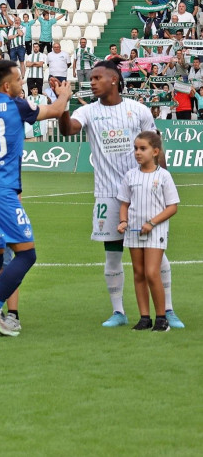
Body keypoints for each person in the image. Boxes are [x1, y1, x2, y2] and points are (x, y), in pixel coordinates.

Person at [57, 59, 184, 328]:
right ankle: (118, 312)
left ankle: (168, 310)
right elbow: (68, 130)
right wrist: (62, 106)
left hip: (143, 193)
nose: (92, 82)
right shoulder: (88, 112)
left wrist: (163, 181)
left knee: (156, 254)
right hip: (107, 194)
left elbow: (155, 145)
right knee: (112, 254)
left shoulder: (137, 110)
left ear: (114, 80)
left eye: (97, 78)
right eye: (90, 79)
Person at [0, 59, 72, 336]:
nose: (22, 85)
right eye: (19, 80)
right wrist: (64, 95)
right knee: (27, 254)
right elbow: (56, 111)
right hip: (2, 189)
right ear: (7, 86)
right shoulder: (15, 105)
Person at [116, 131, 180, 332]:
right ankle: (145, 318)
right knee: (139, 274)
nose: (137, 152)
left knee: (152, 273)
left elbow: (172, 207)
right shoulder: (130, 175)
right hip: (134, 231)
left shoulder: (164, 176)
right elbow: (124, 204)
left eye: (142, 148)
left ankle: (162, 318)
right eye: (135, 148)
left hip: (155, 231)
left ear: (155, 151)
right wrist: (123, 221)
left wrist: (152, 223)